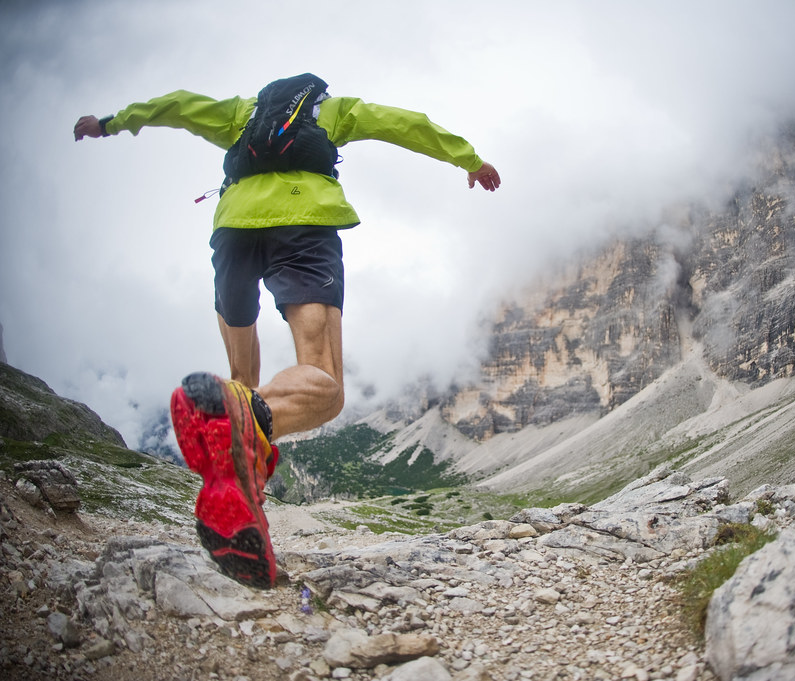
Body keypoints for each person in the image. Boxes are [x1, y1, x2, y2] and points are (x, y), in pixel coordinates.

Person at [74, 75, 501, 588]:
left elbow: (179, 106)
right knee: (324, 383)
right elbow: (405, 124)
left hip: (233, 230)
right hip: (304, 225)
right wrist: (469, 159)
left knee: (240, 381)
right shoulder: (335, 111)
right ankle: (248, 432)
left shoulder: (240, 113)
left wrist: (114, 123)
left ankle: (240, 471)